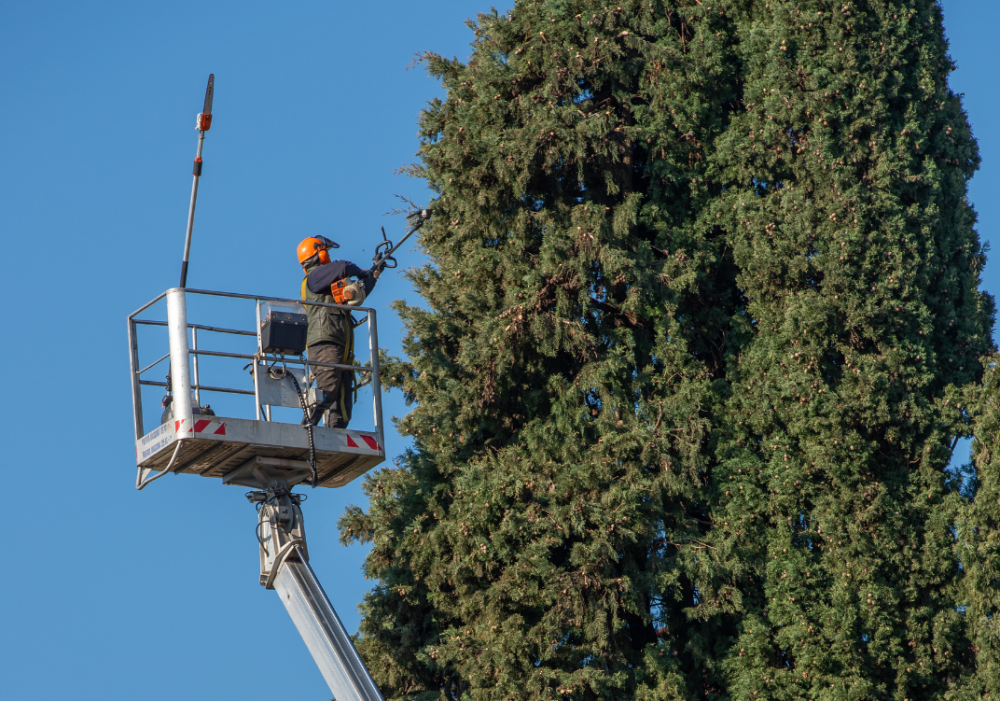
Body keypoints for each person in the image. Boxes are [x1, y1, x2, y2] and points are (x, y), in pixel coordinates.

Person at [297, 236, 380, 428]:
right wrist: (362, 272)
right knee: (327, 390)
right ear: (318, 253)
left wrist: (374, 274)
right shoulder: (315, 277)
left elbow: (358, 294)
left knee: (342, 404)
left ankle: (336, 434)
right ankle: (305, 429)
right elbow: (343, 266)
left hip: (340, 347)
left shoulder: (327, 283)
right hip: (325, 342)